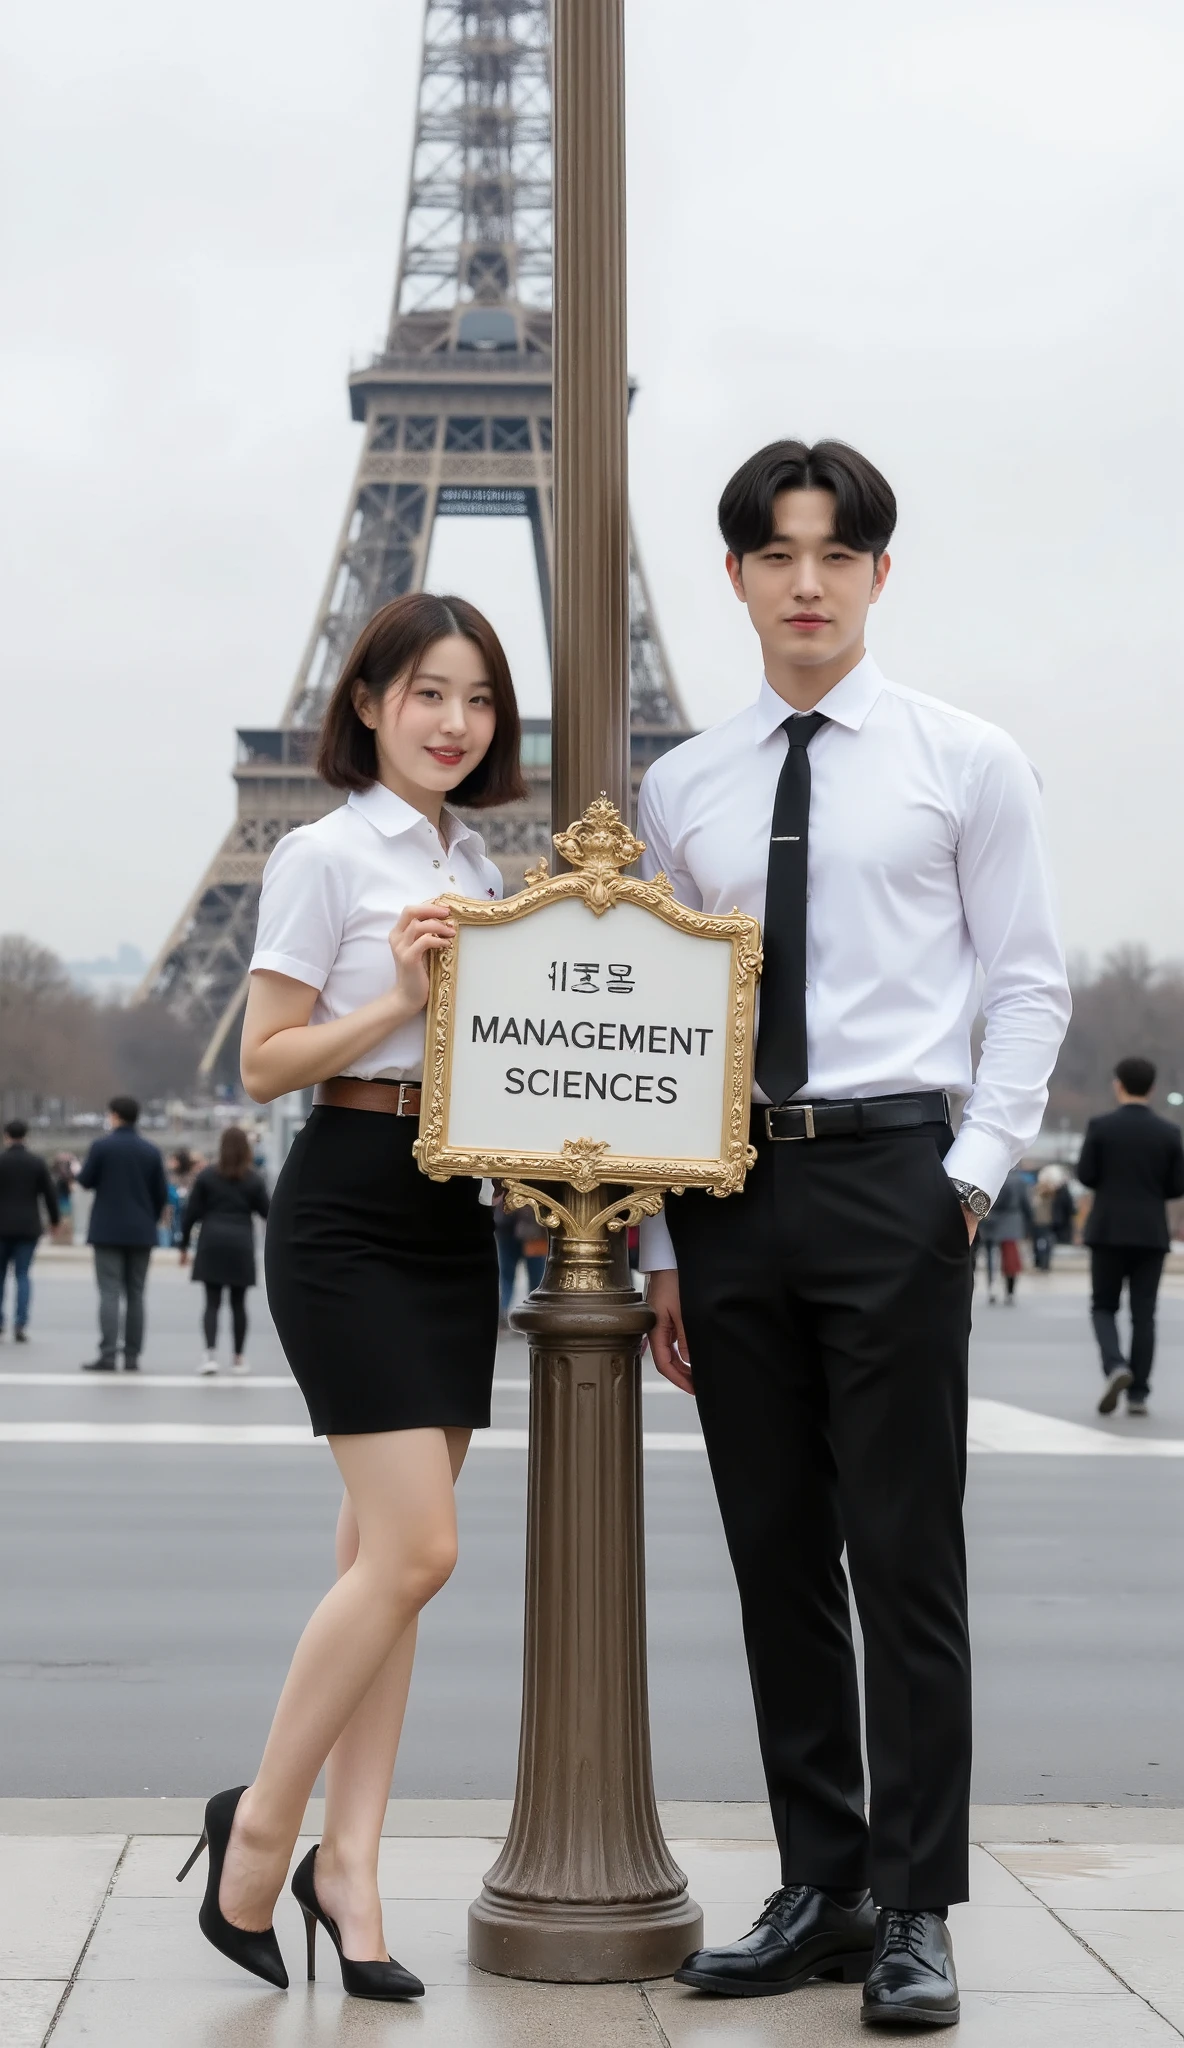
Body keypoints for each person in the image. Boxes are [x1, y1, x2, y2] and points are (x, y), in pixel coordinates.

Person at [638, 441, 1070, 2028]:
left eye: (836, 553)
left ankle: (917, 1904)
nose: (805, 581)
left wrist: (968, 1177)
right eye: (775, 553)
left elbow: (1027, 981)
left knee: (905, 1558)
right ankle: (821, 1881)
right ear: (737, 576)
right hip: (734, 1192)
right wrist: (674, 1245)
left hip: (898, 1179)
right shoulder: (683, 790)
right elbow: (676, 1027)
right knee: (774, 1560)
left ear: (880, 575)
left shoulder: (969, 763)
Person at [177, 592, 524, 2000]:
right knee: (418, 1553)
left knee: (385, 1580)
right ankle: (257, 1835)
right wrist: (396, 996)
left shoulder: (488, 861)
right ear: (368, 703)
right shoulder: (323, 853)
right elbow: (263, 1064)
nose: (455, 722)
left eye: (481, 699)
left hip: (453, 1214)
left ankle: (354, 1870)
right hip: (348, 1209)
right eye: (428, 692)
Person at [1078, 1056, 1184, 1417]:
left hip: (1107, 1229)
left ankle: (1115, 1366)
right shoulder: (1169, 1132)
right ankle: (1138, 1392)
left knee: (1103, 1306)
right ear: (1152, 1088)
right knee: (1144, 1314)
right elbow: (1176, 1185)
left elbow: (1087, 1175)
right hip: (1151, 1232)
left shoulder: (1101, 1127)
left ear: (1117, 1084)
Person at [77, 1096, 168, 1372]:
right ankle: (132, 1355)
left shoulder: (101, 1147)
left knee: (109, 1292)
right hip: (141, 1230)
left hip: (107, 1230)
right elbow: (161, 1195)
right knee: (137, 1294)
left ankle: (107, 1353)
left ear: (114, 1115)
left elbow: (85, 1181)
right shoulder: (151, 1151)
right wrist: (147, 1219)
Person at [180, 1128, 270, 1376]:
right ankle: (239, 1358)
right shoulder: (253, 1179)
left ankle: (210, 1355)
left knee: (212, 1302)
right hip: (241, 1241)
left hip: (212, 1239)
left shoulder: (207, 1176)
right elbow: (268, 1213)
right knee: (239, 1304)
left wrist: (184, 1246)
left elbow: (191, 1214)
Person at [0, 1120, 60, 1341]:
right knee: (23, 1275)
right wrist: (54, 1220)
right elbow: (50, 1194)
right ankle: (20, 1322)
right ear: (26, 1136)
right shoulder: (36, 1162)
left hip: (1, 1226)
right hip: (28, 1225)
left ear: (6, 1136)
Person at [977, 1167, 1033, 1303]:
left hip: (992, 1219)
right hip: (1012, 1220)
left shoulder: (992, 1175)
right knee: (1010, 1257)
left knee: (991, 1256)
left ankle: (992, 1287)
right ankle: (1010, 1290)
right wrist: (1029, 1223)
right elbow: (1026, 1204)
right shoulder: (1019, 1180)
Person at [492, 1188, 547, 1322]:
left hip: (530, 1233)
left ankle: (532, 1313)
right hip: (521, 1231)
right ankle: (529, 1314)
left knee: (532, 1279)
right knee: (512, 1276)